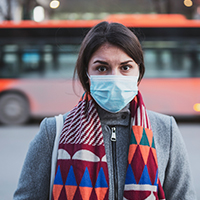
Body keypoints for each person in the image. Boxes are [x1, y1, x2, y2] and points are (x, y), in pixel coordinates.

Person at [13, 21, 196, 200]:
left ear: (139, 72)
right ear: (86, 73)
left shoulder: (166, 130)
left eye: (125, 67)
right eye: (102, 68)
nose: (114, 78)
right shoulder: (53, 132)